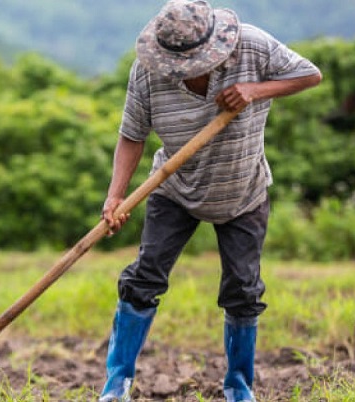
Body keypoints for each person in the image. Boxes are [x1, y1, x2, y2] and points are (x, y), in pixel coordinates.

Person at [98, 1, 322, 401]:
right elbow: (132, 134)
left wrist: (255, 90)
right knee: (143, 278)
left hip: (243, 191)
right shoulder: (148, 73)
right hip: (174, 189)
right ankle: (117, 384)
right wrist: (116, 197)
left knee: (243, 290)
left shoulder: (252, 46)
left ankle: (238, 387)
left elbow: (310, 74)